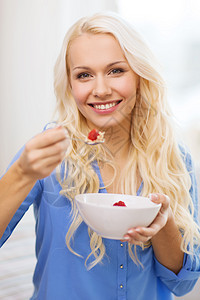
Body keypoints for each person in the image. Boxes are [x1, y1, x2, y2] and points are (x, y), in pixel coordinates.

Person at [0, 11, 200, 300]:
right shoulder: (47, 154)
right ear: (70, 85)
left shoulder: (175, 158)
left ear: (140, 75)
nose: (102, 90)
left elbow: (181, 285)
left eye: (116, 70)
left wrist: (163, 225)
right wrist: (21, 173)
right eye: (84, 75)